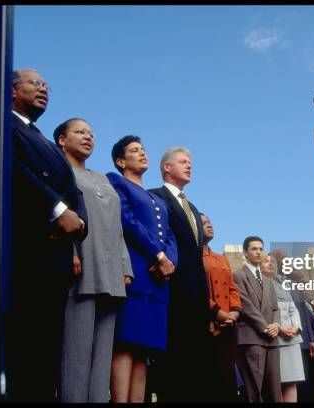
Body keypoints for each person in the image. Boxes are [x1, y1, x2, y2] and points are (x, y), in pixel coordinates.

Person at [6, 68, 88, 402]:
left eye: (47, 86)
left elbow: (73, 192)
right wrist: (57, 210)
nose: (44, 90)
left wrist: (79, 225)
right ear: (12, 90)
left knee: (47, 351)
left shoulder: (46, 144)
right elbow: (10, 168)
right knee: (21, 347)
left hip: (57, 258)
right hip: (25, 250)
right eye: (35, 83)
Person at [52, 119, 133, 402]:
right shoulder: (60, 171)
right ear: (62, 139)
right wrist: (70, 252)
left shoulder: (103, 178)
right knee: (76, 351)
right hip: (83, 266)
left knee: (103, 354)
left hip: (111, 272)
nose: (88, 137)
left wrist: (125, 266)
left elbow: (118, 226)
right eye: (79, 132)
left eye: (91, 133)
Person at [107, 135, 178, 402]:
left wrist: (169, 261)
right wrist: (157, 255)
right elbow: (127, 221)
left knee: (144, 350)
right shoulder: (117, 182)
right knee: (125, 344)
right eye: (135, 150)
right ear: (120, 161)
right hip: (135, 273)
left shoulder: (156, 199)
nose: (142, 153)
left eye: (143, 149)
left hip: (159, 282)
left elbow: (170, 235)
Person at [149, 147, 213, 402]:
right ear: (166, 167)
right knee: (174, 361)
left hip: (197, 295)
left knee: (197, 364)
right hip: (171, 290)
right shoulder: (155, 197)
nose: (189, 166)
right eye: (183, 162)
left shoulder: (194, 209)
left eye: (190, 162)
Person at [270, 251, 314, 402]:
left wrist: (312, 339)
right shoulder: (275, 283)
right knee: (289, 384)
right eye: (283, 261)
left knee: (303, 383)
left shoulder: (293, 284)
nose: (288, 263)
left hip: (301, 339)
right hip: (283, 338)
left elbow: (303, 314)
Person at [233, 236, 282, 402]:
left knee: (274, 389)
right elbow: (246, 306)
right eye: (254, 249)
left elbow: (275, 308)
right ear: (245, 253)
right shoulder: (238, 275)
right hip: (252, 337)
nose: (258, 252)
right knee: (254, 389)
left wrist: (276, 324)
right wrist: (266, 327)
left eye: (261, 249)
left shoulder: (268, 280)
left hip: (272, 340)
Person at [200, 213, 243, 402]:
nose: (210, 225)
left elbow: (233, 289)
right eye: (203, 223)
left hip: (228, 326)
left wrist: (234, 312)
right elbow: (197, 289)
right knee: (209, 377)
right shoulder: (192, 258)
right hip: (207, 324)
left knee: (228, 378)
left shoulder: (221, 259)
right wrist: (217, 313)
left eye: (210, 222)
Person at [261, 253, 304, 402]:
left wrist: (296, 328)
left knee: (292, 381)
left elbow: (293, 309)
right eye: (266, 261)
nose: (271, 264)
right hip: (274, 339)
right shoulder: (257, 284)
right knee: (276, 383)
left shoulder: (282, 285)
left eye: (273, 261)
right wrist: (280, 329)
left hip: (292, 339)